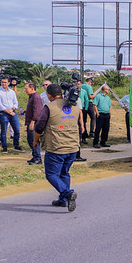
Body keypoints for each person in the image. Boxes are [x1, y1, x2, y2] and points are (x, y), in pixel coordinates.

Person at [33, 83, 83, 211]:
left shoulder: (49, 107)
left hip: (56, 147)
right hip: (73, 147)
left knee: (51, 174)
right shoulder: (74, 106)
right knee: (64, 173)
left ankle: (68, 193)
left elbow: (39, 127)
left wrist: (35, 141)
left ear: (49, 95)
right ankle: (63, 200)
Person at [0, 76, 22, 153]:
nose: (3, 84)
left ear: (8, 83)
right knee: (4, 131)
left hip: (12, 112)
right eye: (2, 82)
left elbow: (16, 102)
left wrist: (13, 109)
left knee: (17, 130)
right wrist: (8, 111)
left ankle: (16, 145)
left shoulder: (12, 92)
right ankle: (4, 147)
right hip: (3, 113)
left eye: (5, 82)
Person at [23, 81, 43, 165]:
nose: (25, 90)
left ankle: (38, 158)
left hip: (34, 123)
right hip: (30, 122)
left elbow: (37, 111)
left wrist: (32, 122)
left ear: (32, 88)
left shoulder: (36, 97)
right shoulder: (31, 97)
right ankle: (35, 156)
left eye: (26, 88)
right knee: (30, 140)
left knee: (34, 141)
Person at [79, 76, 96, 144]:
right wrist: (95, 95)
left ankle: (84, 134)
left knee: (83, 120)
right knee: (93, 117)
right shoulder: (89, 87)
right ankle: (91, 132)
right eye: (91, 83)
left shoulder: (81, 86)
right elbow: (90, 96)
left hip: (82, 104)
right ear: (90, 82)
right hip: (88, 103)